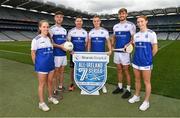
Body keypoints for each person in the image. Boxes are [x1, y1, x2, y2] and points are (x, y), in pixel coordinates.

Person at [128, 15, 158, 111]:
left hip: (146, 63)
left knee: (147, 82)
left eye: (141, 21)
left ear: (146, 22)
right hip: (136, 61)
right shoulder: (136, 35)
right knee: (137, 80)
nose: (140, 23)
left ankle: (146, 101)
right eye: (138, 22)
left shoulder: (151, 33)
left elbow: (155, 49)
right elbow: (133, 46)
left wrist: (148, 58)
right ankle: (137, 96)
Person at [31, 20, 59, 112]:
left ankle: (50, 97)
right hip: (41, 66)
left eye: (47, 27)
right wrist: (37, 66)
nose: (46, 28)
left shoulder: (49, 39)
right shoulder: (36, 40)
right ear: (40, 28)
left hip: (51, 64)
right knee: (42, 84)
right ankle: (41, 103)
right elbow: (33, 53)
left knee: (50, 82)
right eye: (44, 27)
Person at [111, 8, 136, 98]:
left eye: (123, 14)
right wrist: (112, 44)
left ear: (126, 15)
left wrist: (128, 45)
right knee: (119, 69)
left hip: (125, 52)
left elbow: (133, 39)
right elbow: (114, 37)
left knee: (126, 70)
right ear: (118, 15)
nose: (121, 15)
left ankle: (128, 90)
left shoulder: (131, 25)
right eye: (120, 14)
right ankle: (120, 87)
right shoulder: (115, 26)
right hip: (117, 51)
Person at [88, 15, 112, 93]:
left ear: (100, 21)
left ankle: (103, 85)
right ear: (93, 22)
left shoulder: (105, 31)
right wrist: (88, 53)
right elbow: (89, 43)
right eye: (94, 21)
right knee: (94, 69)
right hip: (93, 55)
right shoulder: (91, 32)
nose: (96, 22)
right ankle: (95, 84)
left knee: (102, 70)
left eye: (97, 21)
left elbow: (108, 42)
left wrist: (110, 50)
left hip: (102, 55)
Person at [68, 16, 88, 91]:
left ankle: (81, 83)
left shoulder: (85, 32)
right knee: (72, 69)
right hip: (73, 54)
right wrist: (71, 50)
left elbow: (86, 43)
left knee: (82, 69)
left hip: (82, 55)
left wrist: (84, 52)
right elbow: (68, 42)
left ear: (82, 22)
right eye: (77, 21)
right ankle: (72, 83)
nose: (79, 22)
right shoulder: (71, 31)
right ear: (75, 22)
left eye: (80, 21)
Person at [50, 11, 67, 95]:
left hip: (64, 54)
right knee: (55, 73)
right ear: (55, 18)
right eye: (58, 17)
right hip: (56, 54)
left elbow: (66, 43)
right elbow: (50, 43)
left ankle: (60, 86)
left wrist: (67, 47)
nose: (59, 18)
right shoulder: (51, 29)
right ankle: (54, 89)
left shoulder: (64, 30)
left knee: (62, 71)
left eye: (61, 17)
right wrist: (60, 46)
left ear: (62, 19)